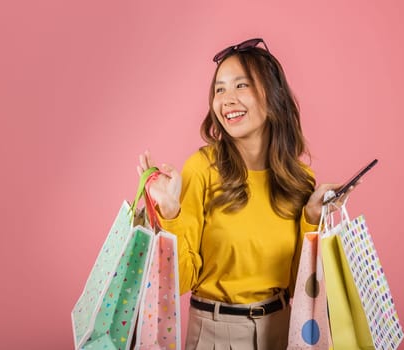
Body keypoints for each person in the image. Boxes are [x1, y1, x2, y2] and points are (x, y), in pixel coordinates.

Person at [137, 38, 350, 350]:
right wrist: (170, 215)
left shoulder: (299, 179)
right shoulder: (202, 169)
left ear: (272, 95)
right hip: (215, 334)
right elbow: (179, 282)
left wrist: (311, 218)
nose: (227, 99)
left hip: (284, 329)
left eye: (241, 85)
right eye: (219, 89)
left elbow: (299, 286)